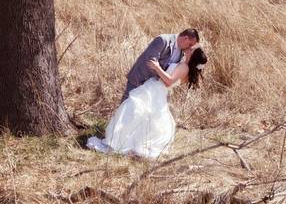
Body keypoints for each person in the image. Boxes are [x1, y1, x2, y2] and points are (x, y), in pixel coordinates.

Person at [86, 29, 207, 159]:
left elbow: (169, 80)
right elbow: (150, 60)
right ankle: (119, 140)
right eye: (190, 45)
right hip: (142, 81)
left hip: (155, 88)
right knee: (132, 111)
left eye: (191, 49)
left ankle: (122, 142)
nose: (189, 48)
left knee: (134, 113)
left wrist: (157, 68)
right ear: (185, 39)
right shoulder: (164, 40)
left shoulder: (184, 66)